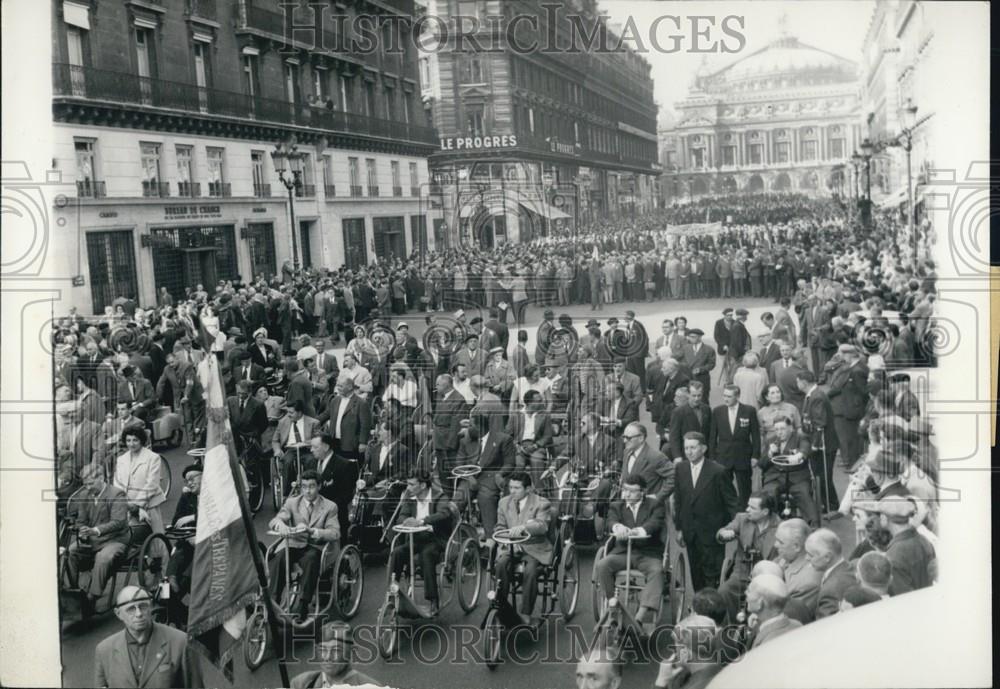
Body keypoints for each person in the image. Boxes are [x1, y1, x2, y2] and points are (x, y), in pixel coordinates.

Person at [594, 474, 666, 632]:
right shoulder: (616, 505)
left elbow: (655, 523)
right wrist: (618, 527)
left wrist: (637, 531)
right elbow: (611, 521)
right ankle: (612, 604)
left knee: (657, 571)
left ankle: (640, 617)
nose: (627, 494)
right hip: (622, 552)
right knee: (602, 565)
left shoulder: (655, 505)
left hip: (647, 553)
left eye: (632, 491)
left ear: (643, 492)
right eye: (625, 490)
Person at [95, 585, 202, 688]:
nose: (138, 614)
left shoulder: (180, 642)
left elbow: (195, 685)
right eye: (131, 609)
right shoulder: (104, 650)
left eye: (143, 606)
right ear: (118, 614)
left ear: (151, 606)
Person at [268, 470, 340, 620]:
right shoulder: (292, 502)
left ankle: (303, 604)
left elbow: (335, 533)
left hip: (316, 546)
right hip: (294, 543)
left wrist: (313, 531)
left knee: (310, 560)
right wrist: (281, 525)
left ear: (319, 486)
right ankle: (273, 602)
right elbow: (275, 520)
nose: (307, 491)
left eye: (312, 486)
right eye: (304, 487)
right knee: (279, 558)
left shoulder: (330, 506)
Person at [673, 432, 739, 592]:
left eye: (693, 447)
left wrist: (736, 527)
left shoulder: (718, 471)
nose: (689, 452)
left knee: (712, 574)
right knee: (696, 573)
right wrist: (679, 528)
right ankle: (699, 603)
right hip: (690, 531)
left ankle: (712, 605)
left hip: (712, 532)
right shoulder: (680, 469)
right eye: (686, 448)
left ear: (703, 448)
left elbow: (731, 502)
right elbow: (678, 500)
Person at [66, 463, 130, 618]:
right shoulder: (84, 495)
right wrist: (82, 530)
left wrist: (95, 530)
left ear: (101, 478)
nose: (88, 487)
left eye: (90, 483)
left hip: (115, 539)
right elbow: (81, 520)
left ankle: (92, 596)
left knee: (103, 557)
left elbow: (118, 522)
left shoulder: (117, 494)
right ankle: (74, 594)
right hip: (93, 539)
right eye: (85, 484)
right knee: (71, 551)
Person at [494, 471, 553, 625]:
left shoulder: (541, 503)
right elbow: (500, 526)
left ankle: (526, 613)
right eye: (510, 487)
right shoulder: (504, 502)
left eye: (517, 488)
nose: (512, 491)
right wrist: (505, 541)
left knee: (530, 570)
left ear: (528, 489)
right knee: (500, 565)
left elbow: (542, 526)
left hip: (534, 547)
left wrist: (524, 527)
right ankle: (501, 608)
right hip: (511, 546)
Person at [391, 471, 453, 616]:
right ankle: (392, 592)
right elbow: (401, 517)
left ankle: (433, 600)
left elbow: (443, 514)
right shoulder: (410, 498)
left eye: (412, 484)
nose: (408, 487)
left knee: (427, 555)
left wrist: (421, 521)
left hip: (435, 539)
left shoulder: (439, 497)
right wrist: (407, 521)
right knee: (397, 553)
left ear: (423, 485)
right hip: (416, 539)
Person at [716, 492, 781, 624]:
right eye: (748, 506)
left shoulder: (780, 526)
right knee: (724, 591)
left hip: (766, 575)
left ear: (765, 511)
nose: (747, 510)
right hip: (743, 572)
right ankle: (733, 625)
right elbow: (721, 533)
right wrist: (724, 533)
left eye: (752, 507)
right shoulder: (742, 519)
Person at [758, 416, 819, 526]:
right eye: (776, 429)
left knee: (804, 494)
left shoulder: (800, 437)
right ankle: (770, 524)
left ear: (791, 428)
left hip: (797, 478)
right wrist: (770, 453)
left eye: (782, 429)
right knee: (768, 495)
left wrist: (799, 455)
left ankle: (813, 525)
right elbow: (761, 464)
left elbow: (805, 448)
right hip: (775, 478)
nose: (779, 432)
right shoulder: (770, 440)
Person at [708, 384, 760, 508]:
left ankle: (744, 510)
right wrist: (712, 457)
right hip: (723, 456)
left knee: (745, 488)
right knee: (724, 487)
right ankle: (728, 511)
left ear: (737, 396)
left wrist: (755, 456)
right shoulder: (718, 411)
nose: (726, 399)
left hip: (743, 455)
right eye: (724, 396)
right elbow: (712, 436)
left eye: (729, 396)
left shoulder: (749, 411)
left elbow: (756, 435)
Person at [797, 370, 840, 515]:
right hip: (816, 442)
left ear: (803, 382)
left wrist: (815, 445)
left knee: (824, 476)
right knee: (819, 475)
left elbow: (819, 423)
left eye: (798, 382)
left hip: (823, 444)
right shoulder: (812, 395)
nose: (797, 384)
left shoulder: (817, 397)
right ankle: (825, 503)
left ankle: (832, 506)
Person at [164, 464, 200, 627]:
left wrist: (193, 517)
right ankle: (170, 582)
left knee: (190, 571)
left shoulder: (214, 496)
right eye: (187, 480)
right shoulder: (187, 497)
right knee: (177, 554)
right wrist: (189, 536)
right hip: (188, 541)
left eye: (192, 478)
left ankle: (177, 592)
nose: (189, 483)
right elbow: (176, 521)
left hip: (209, 543)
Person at [290, 621, 378, 688]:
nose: (328, 657)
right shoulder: (301, 684)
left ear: (352, 652)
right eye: (323, 650)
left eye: (336, 650)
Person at [113, 427, 167, 536]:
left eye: (135, 440)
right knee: (130, 535)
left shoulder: (153, 457)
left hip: (148, 503)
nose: (131, 444)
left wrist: (137, 503)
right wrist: (125, 501)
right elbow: (117, 482)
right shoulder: (121, 459)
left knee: (155, 536)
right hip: (127, 505)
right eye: (128, 440)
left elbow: (152, 484)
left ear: (141, 440)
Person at [878, 496, 937, 594]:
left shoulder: (893, 555)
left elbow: (901, 598)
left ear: (884, 518)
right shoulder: (924, 541)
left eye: (880, 514)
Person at [653, 614, 723, 689]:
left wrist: (661, 680)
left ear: (685, 652)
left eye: (676, 648)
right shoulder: (724, 671)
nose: (674, 652)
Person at [312, 434, 359, 541]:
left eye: (315, 447)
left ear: (326, 447)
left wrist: (326, 508)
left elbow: (346, 495)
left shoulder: (344, 465)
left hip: (334, 515)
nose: (311, 450)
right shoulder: (310, 463)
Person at [805, 528, 856, 619]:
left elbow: (825, 625)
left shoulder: (830, 590)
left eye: (810, 555)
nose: (806, 558)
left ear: (827, 557)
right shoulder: (850, 567)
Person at [273, 400, 320, 494]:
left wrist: (306, 443)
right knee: (287, 462)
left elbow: (319, 439)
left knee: (311, 461)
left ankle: (310, 488)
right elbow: (275, 440)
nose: (288, 415)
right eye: (287, 412)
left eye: (291, 412)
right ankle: (288, 492)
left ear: (299, 412)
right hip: (290, 450)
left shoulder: (313, 422)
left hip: (307, 450)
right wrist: (277, 450)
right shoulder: (283, 422)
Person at [321, 375, 372, 461]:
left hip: (350, 444)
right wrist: (313, 421)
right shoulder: (335, 400)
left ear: (350, 387)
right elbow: (326, 414)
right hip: (334, 441)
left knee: (349, 466)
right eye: (337, 385)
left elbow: (365, 425)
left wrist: (363, 442)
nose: (338, 388)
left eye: (341, 386)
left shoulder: (361, 403)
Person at [746, 574, 801, 648]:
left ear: (760, 603)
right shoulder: (797, 625)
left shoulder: (767, 644)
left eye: (749, 591)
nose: (745, 593)